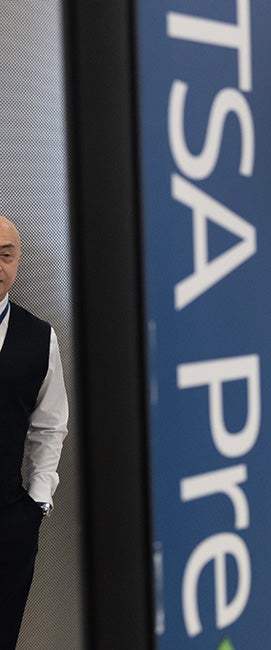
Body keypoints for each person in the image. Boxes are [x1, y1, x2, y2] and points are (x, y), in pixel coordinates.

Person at [0, 215, 69, 650]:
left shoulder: (40, 337)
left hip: (8, 523)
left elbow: (49, 425)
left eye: (5, 255)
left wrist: (37, 502)